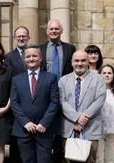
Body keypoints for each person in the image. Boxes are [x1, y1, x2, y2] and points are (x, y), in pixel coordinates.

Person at [10, 45, 59, 163]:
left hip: (44, 130)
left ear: (40, 58)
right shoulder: (16, 79)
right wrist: (25, 122)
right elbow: (14, 103)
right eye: (28, 56)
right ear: (24, 59)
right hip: (24, 129)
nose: (31, 59)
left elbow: (54, 102)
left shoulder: (51, 78)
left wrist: (44, 123)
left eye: (34, 56)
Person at [58, 50, 106, 163]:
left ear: (88, 62)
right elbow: (61, 101)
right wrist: (77, 118)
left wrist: (83, 119)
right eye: (77, 61)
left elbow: (100, 100)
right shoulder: (63, 80)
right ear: (72, 63)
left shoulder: (98, 79)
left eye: (83, 60)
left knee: (90, 160)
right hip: (69, 129)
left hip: (90, 128)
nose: (79, 63)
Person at [40, 19, 77, 162]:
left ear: (61, 31)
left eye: (57, 29)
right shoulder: (41, 49)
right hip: (47, 92)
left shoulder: (70, 48)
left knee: (64, 126)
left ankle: (61, 156)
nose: (54, 31)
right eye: (51, 29)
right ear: (47, 31)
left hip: (65, 91)